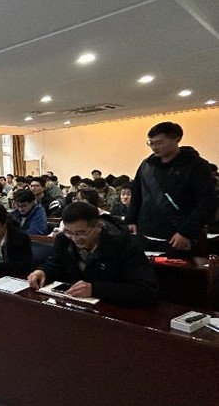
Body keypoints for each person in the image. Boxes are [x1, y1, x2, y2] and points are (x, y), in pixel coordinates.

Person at [28, 202, 158, 307]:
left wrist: (95, 289)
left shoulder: (124, 245)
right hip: (75, 306)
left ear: (98, 227)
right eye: (69, 232)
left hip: (114, 310)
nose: (75, 239)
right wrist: (44, 272)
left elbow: (147, 290)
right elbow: (57, 265)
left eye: (81, 233)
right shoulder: (64, 239)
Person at [127, 122, 216, 256]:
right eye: (151, 143)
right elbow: (137, 194)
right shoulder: (147, 165)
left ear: (176, 139)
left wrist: (186, 232)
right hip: (146, 234)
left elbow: (206, 202)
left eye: (159, 143)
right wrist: (131, 220)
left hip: (179, 237)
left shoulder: (196, 165)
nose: (154, 147)